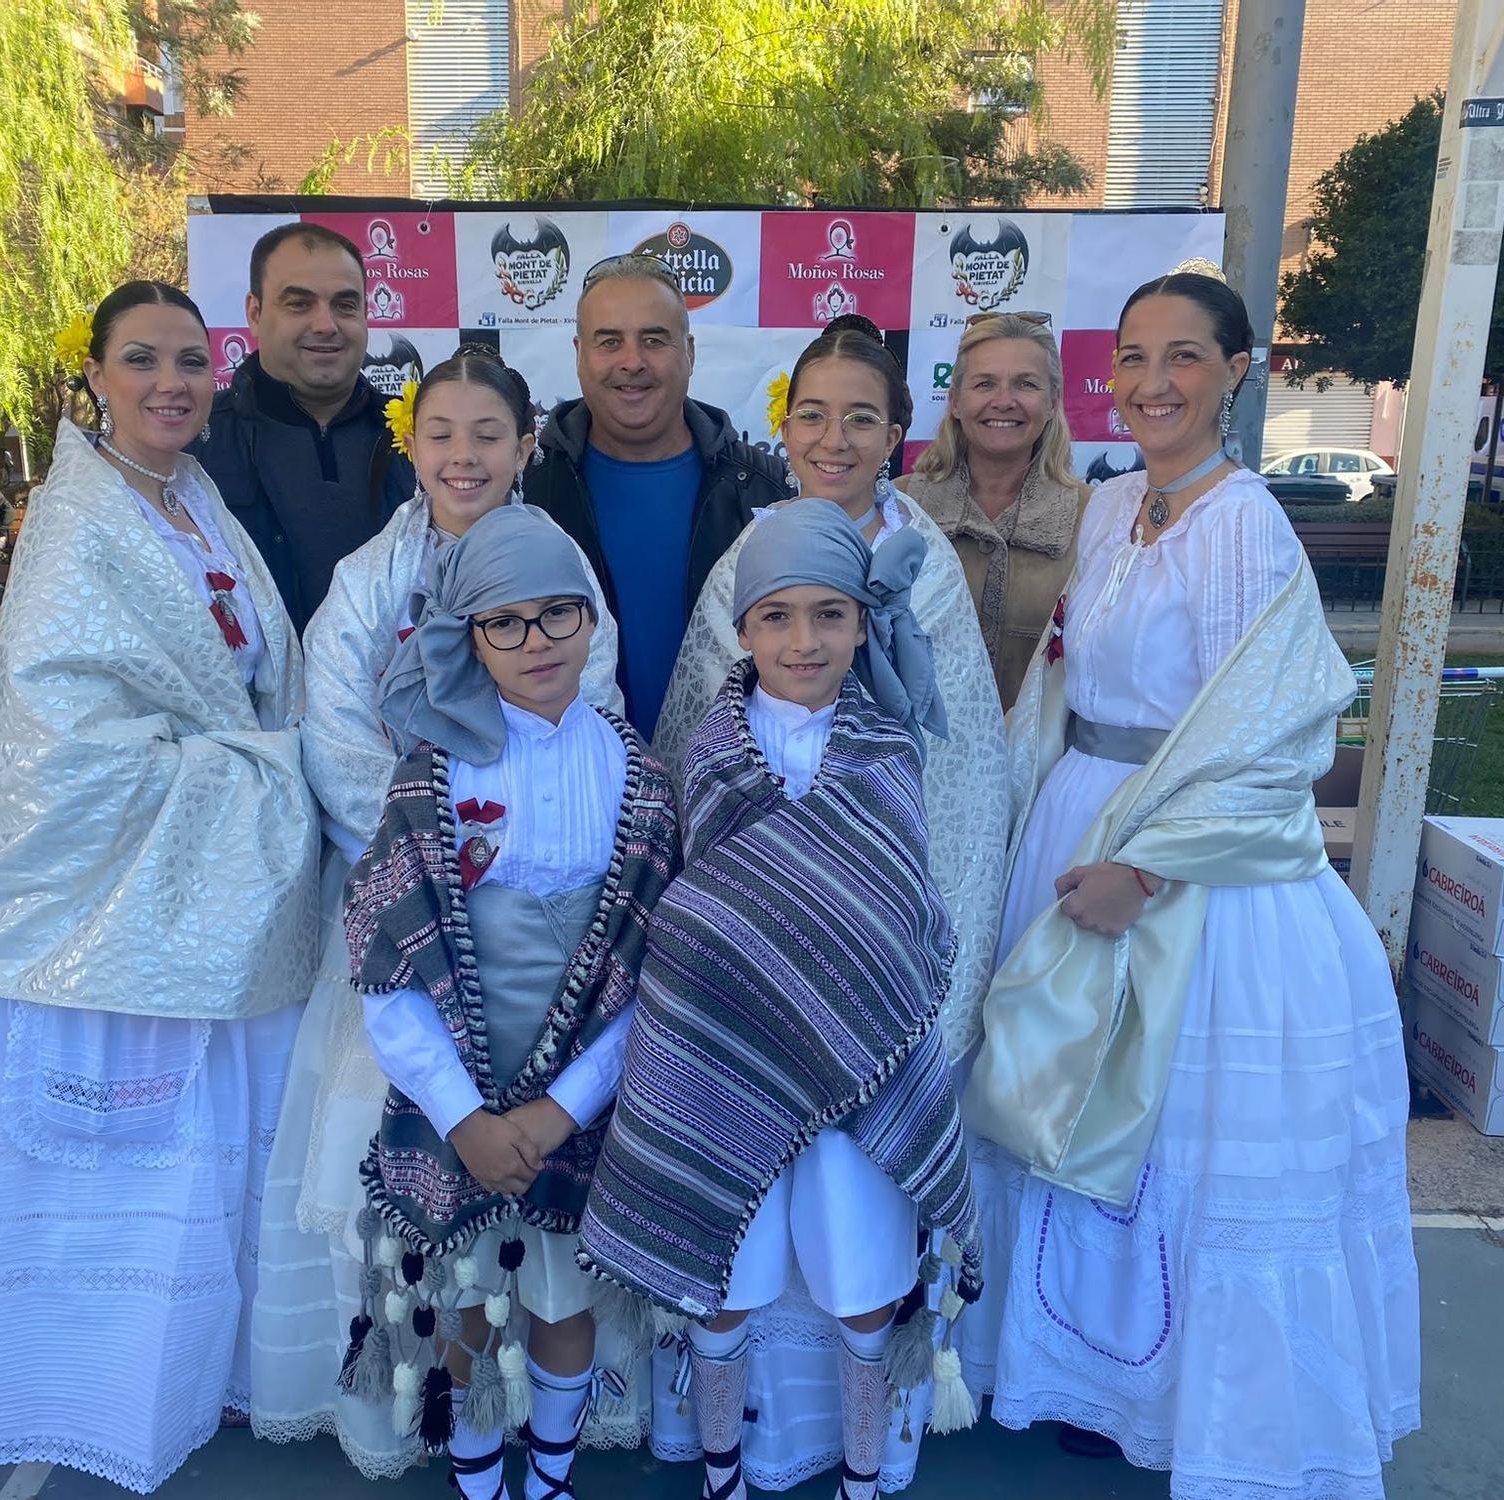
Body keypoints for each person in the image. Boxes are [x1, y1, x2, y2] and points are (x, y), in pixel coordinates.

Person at [962, 272, 1419, 1498]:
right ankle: (1067, 1366)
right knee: (1059, 1093)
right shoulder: (1110, 506)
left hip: (1183, 872)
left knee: (1170, 1132)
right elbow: (1067, 679)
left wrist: (1147, 868)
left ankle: (1162, 1393)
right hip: (1078, 818)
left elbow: (1273, 741)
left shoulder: (1242, 524)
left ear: (1236, 371)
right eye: (1130, 357)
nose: (1152, 382)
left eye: (1182, 357)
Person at [0, 280, 324, 1493]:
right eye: (142, 360)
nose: (170, 381)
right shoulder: (74, 522)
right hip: (90, 913)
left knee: (204, 1170)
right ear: (99, 379)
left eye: (189, 359)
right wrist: (258, 771)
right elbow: (61, 742)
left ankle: (208, 1372)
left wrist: (258, 758)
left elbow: (241, 675)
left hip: (205, 889)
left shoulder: (193, 500)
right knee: (114, 1183)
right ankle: (70, 1382)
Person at [244, 348, 628, 1475]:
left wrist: (524, 838)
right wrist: (435, 862)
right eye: (442, 433)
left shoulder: (564, 578)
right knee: (434, 1223)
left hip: (552, 948)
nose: (464, 455)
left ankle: (548, 1446)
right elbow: (339, 738)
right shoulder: (369, 579)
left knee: (553, 1247)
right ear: (410, 444)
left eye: (488, 435)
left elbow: (589, 702)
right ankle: (445, 1435)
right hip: (414, 920)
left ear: (525, 446)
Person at [649, 320, 1007, 1493]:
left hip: (870, 1005)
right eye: (812, 414)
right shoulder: (737, 570)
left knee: (860, 1263)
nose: (835, 437)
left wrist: (929, 987)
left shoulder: (923, 576)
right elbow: (688, 786)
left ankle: (861, 1463)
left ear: (896, 432)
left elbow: (953, 785)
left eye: (862, 416)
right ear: (783, 424)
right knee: (730, 1264)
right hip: (738, 1024)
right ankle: (727, 1458)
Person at [581, 500, 983, 1500]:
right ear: (742, 627)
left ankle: (860, 1477)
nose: (803, 642)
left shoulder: (889, 749)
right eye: (777, 618)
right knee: (725, 1290)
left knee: (862, 1292)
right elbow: (691, 911)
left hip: (860, 1070)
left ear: (861, 623)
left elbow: (903, 912)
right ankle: (721, 1473)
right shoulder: (709, 754)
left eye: (828, 615)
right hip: (726, 1065)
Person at [339, 503, 681, 1500]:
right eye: (503, 623)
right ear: (466, 638)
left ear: (591, 623)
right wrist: (463, 1117)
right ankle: (480, 1479)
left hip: (583, 1096)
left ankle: (552, 1478)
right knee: (467, 1299)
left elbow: (645, 976)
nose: (534, 644)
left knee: (560, 1296)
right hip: (461, 1092)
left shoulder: (639, 778)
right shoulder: (428, 779)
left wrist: (556, 1111)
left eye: (556, 615)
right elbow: (386, 962)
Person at [524, 253, 792, 733]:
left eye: (654, 339)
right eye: (610, 341)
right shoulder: (526, 493)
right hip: (574, 788)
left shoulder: (767, 494)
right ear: (579, 353)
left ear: (689, 352)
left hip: (731, 787)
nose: (632, 361)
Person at [195, 220, 416, 633]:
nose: (325, 325)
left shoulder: (424, 440)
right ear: (255, 313)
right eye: (299, 304)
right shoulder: (195, 446)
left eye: (345, 305)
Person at [897, 312, 1085, 711]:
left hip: (1045, 766)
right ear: (955, 402)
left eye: (1026, 384)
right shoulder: (899, 508)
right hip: (917, 766)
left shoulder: (1095, 517)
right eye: (985, 384)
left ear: (1052, 402)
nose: (1004, 400)